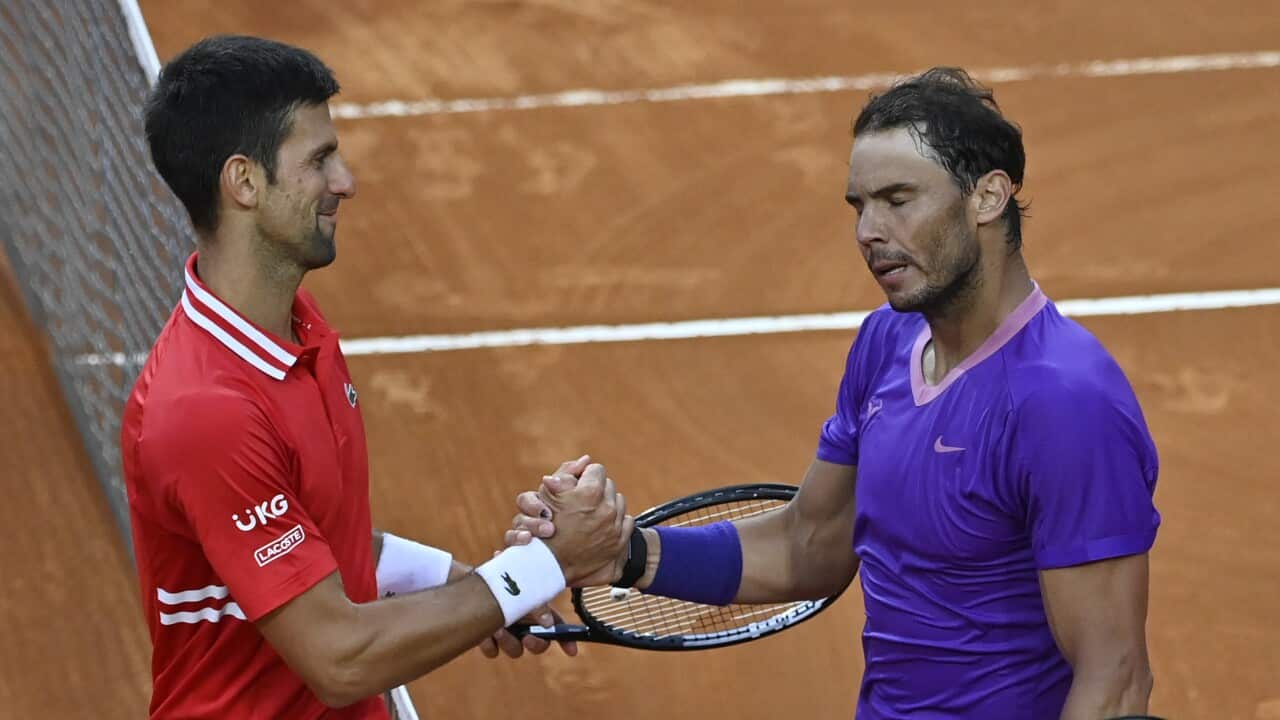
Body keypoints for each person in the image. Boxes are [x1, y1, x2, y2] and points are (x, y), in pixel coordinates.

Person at [506, 68, 1162, 719]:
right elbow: (809, 543)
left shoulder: (1065, 403)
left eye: (898, 199)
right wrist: (621, 552)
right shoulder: (887, 343)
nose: (868, 232)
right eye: (859, 205)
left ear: (987, 198)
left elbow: (1114, 678)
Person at [121, 34, 628, 719]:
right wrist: (541, 568)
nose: (346, 182)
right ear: (244, 183)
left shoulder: (299, 326)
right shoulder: (205, 411)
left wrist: (468, 586)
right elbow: (338, 656)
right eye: (319, 161)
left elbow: (320, 540)